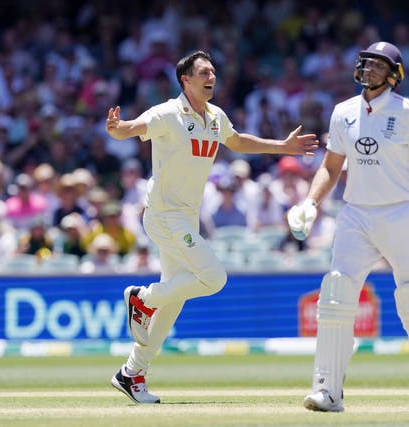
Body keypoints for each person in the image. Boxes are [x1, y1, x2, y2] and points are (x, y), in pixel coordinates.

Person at [104, 50, 318, 404]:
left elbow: (236, 142)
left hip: (186, 218)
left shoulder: (216, 117)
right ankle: (141, 298)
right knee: (214, 278)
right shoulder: (167, 113)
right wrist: (117, 129)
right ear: (185, 79)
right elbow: (131, 129)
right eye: (203, 72)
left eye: (213, 71)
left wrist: (283, 147)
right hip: (163, 215)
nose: (211, 77)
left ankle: (131, 372)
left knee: (175, 298)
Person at [287, 41, 409, 413]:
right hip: (356, 213)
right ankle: (327, 390)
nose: (368, 68)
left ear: (394, 74)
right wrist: (310, 202)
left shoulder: (408, 112)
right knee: (336, 295)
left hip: (402, 213)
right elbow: (330, 166)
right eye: (366, 62)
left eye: (378, 64)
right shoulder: (343, 112)